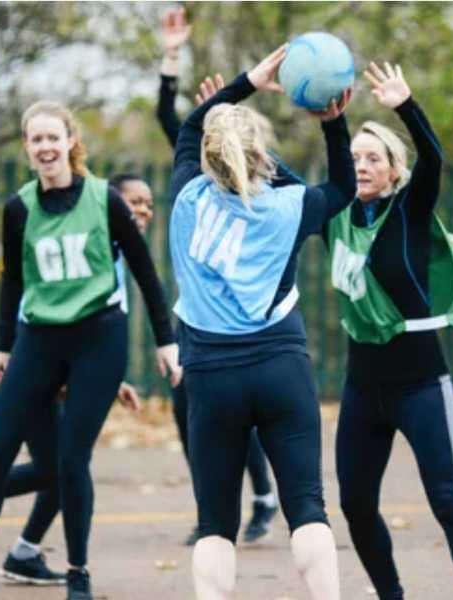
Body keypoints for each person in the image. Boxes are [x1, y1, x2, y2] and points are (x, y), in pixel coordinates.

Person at [0, 102, 180, 600]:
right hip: (39, 339)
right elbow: (12, 280)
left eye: (52, 138)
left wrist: (165, 341)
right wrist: (2, 345)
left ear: (70, 142)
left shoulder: (105, 200)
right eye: (36, 139)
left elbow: (145, 273)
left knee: (70, 459)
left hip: (98, 339)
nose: (45, 147)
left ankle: (78, 573)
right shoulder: (18, 208)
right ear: (27, 147)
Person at [169, 45, 354, 600]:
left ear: (208, 156)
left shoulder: (187, 196)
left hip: (211, 376)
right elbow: (342, 190)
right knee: (307, 507)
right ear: (261, 155)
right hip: (280, 368)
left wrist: (245, 82)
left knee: (215, 524)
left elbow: (188, 129)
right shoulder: (291, 205)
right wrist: (333, 121)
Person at [327, 61, 453, 600]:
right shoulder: (334, 216)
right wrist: (331, 121)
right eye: (355, 158)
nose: (361, 165)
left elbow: (435, 157)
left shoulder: (409, 210)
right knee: (355, 504)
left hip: (421, 385)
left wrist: (405, 106)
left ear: (394, 170)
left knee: (448, 500)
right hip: (362, 388)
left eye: (373, 158)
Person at [156, 6, 277, 546]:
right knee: (190, 407)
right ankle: (216, 504)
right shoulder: (193, 177)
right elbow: (171, 117)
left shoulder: (267, 190)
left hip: (244, 315)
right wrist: (173, 57)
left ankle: (263, 493)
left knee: (236, 407)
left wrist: (225, 107)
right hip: (197, 312)